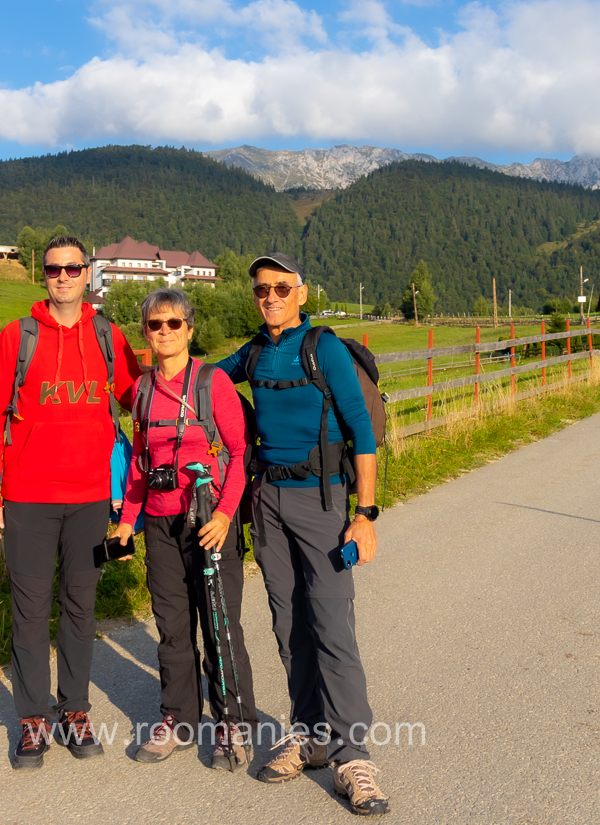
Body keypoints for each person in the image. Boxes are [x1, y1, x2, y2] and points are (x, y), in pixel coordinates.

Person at [215, 252, 389, 816]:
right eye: (262, 289)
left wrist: (365, 513)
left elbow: (363, 432)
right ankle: (310, 735)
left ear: (302, 293)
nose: (270, 297)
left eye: (281, 288)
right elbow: (207, 379)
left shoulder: (325, 349)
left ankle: (353, 754)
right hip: (269, 501)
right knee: (289, 623)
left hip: (324, 501)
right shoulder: (255, 351)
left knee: (332, 623)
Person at [0, 234, 142, 770]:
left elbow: (140, 395)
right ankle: (30, 721)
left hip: (92, 498)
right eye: (53, 269)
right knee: (29, 610)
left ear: (88, 273)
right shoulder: (16, 338)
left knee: (80, 605)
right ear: (42, 275)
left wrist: (200, 392)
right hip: (27, 497)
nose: (63, 276)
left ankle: (74, 710)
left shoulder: (107, 335)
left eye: (72, 268)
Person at [112, 288, 257, 771]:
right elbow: (137, 462)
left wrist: (223, 516)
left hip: (209, 521)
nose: (165, 332)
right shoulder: (143, 392)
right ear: (146, 335)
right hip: (159, 522)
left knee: (219, 626)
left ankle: (233, 723)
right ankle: (177, 717)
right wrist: (126, 522)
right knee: (172, 627)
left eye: (174, 323)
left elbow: (239, 454)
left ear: (190, 330)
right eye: (156, 325)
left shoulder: (211, 383)